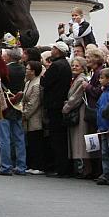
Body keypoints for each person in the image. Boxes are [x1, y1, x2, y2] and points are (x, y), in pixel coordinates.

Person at [41, 41, 72, 177]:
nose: (52, 51)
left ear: (58, 51)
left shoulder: (56, 66)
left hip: (54, 104)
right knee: (60, 138)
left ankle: (60, 168)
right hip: (59, 103)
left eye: (53, 48)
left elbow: (45, 82)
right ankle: (62, 167)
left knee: (57, 138)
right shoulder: (65, 64)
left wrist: (44, 74)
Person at [0, 48, 26, 176]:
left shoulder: (5, 70)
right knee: (19, 137)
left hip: (5, 104)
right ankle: (21, 165)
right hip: (18, 105)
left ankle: (6, 166)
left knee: (4, 137)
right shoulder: (24, 69)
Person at [63, 57, 91, 178]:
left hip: (80, 112)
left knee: (80, 142)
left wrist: (66, 107)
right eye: (73, 65)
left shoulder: (81, 80)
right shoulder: (75, 79)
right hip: (76, 111)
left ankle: (86, 169)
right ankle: (83, 168)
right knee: (78, 142)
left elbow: (76, 98)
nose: (74, 67)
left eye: (77, 66)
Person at [22, 60, 45, 175]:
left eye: (27, 69)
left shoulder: (37, 84)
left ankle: (38, 165)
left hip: (35, 116)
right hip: (27, 114)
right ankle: (32, 164)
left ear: (33, 71)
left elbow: (34, 103)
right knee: (31, 141)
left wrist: (25, 114)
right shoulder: (28, 82)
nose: (25, 71)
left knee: (36, 141)